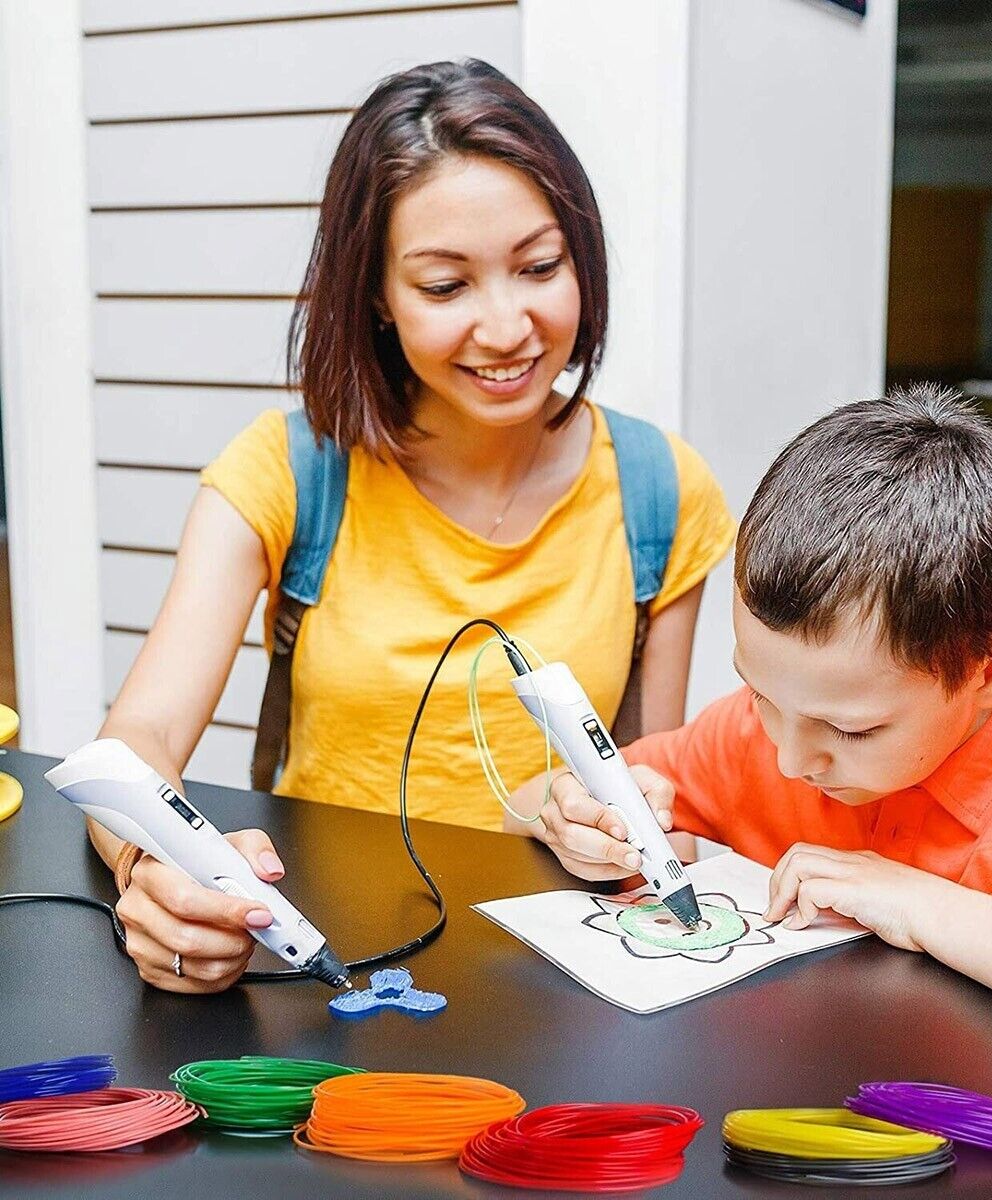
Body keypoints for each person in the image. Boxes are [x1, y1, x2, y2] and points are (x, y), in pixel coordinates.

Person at [88, 59, 734, 993]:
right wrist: (152, 871)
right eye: (445, 285)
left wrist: (625, 822)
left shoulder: (660, 488)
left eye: (540, 267)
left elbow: (644, 776)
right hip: (325, 973)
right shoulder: (288, 471)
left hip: (567, 980)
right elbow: (135, 742)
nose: (508, 326)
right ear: (378, 298)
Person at [520, 385, 992, 1082]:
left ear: (990, 677)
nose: (789, 758)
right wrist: (579, 816)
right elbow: (547, 790)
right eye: (760, 694)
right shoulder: (755, 734)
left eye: (852, 730)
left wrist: (920, 903)